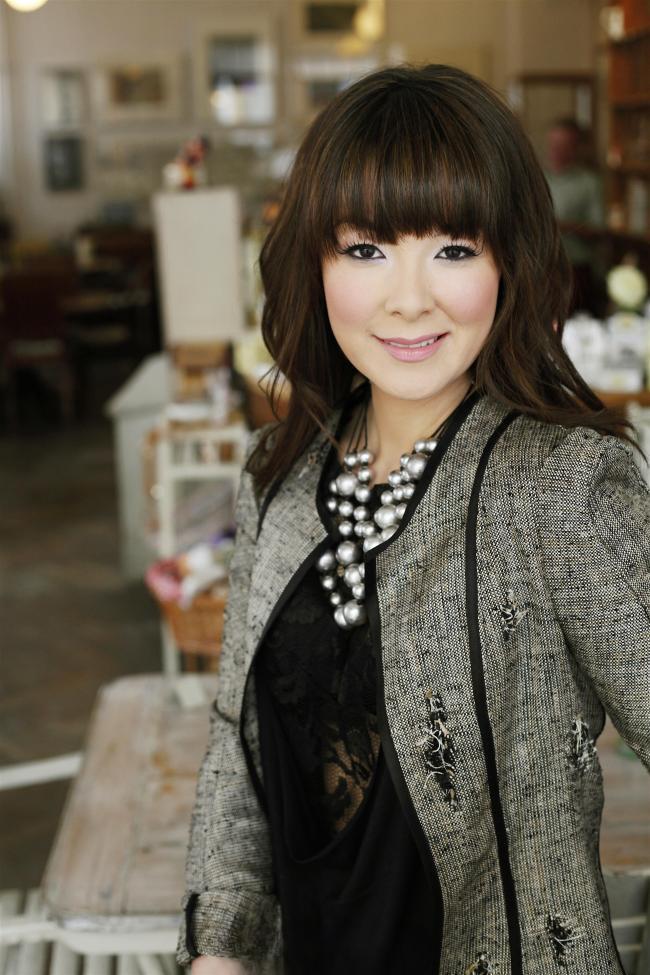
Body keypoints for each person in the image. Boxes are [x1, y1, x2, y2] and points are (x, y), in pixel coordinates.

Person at [177, 64, 649, 975]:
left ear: (509, 261)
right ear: (314, 263)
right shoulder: (278, 478)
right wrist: (220, 950)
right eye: (365, 250)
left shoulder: (561, 487)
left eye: (454, 249)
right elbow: (238, 750)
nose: (408, 297)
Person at [544, 117, 607, 316]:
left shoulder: (589, 182)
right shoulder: (538, 177)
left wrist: (561, 225)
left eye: (562, 145)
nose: (555, 150)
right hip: (543, 267)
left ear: (575, 148)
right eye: (553, 144)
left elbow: (598, 230)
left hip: (576, 269)